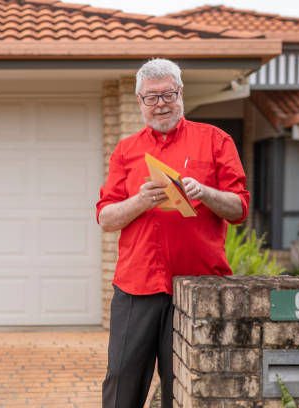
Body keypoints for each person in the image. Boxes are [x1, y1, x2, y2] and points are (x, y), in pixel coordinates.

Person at [96, 58, 249, 408]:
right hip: (137, 286)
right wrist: (139, 201)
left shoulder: (215, 140)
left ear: (181, 93)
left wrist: (205, 193)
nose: (161, 103)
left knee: (183, 384)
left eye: (168, 94)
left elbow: (239, 208)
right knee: (121, 379)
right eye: (152, 97)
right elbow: (106, 218)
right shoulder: (126, 150)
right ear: (140, 101)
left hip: (197, 286)